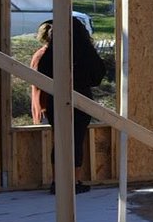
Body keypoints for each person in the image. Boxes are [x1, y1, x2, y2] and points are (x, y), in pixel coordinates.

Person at [37, 16, 106, 195]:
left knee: (59, 140)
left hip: (56, 99)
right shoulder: (85, 51)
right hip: (81, 99)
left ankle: (57, 182)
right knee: (76, 140)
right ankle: (73, 181)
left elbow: (42, 72)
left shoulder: (52, 51)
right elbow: (97, 74)